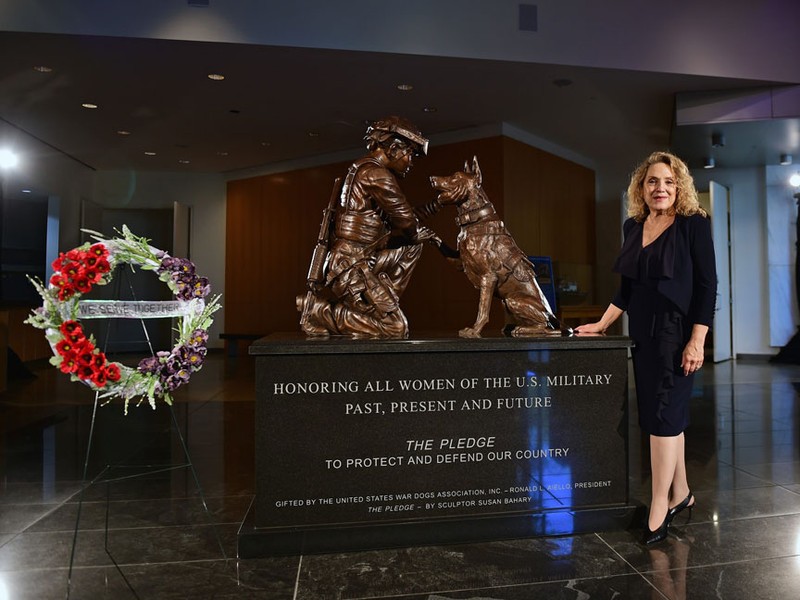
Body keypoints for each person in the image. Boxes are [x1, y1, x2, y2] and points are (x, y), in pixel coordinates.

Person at [574, 151, 716, 545]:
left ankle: (659, 503)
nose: (661, 188)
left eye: (669, 182)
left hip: (678, 333)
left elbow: (708, 285)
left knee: (663, 419)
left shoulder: (693, 224)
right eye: (653, 181)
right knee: (665, 415)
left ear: (680, 186)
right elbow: (627, 287)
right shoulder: (633, 225)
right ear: (641, 187)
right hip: (644, 333)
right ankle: (682, 492)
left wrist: (697, 340)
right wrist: (602, 323)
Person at [298, 116, 439, 338]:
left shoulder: (363, 169)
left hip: (365, 258)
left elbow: (406, 219)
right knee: (395, 329)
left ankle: (384, 300)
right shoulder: (376, 174)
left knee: (413, 246)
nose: (411, 161)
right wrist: (413, 233)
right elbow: (406, 220)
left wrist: (438, 204)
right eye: (409, 153)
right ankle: (318, 310)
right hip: (350, 265)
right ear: (393, 148)